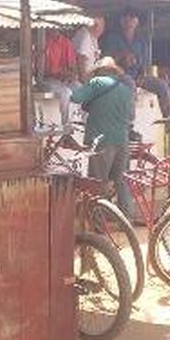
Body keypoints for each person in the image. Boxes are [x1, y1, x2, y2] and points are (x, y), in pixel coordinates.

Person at [70, 57, 136, 222]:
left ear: (98, 71)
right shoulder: (126, 89)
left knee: (98, 183)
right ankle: (126, 220)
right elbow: (131, 116)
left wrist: (76, 84)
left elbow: (75, 97)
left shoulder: (97, 82)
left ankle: (98, 224)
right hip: (122, 141)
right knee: (121, 181)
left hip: (101, 142)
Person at [100, 11, 170, 120]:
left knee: (161, 85)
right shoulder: (112, 38)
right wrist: (121, 57)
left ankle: (169, 118)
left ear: (137, 22)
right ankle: (129, 123)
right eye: (125, 17)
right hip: (117, 76)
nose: (128, 21)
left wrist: (142, 75)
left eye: (132, 18)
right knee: (129, 83)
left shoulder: (141, 41)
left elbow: (144, 63)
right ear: (120, 21)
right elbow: (106, 61)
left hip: (136, 75)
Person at [38, 30, 79, 127]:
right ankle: (65, 124)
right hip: (47, 79)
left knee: (82, 89)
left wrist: (70, 75)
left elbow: (72, 67)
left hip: (63, 79)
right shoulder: (42, 43)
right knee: (66, 92)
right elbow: (40, 71)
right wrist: (57, 74)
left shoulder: (66, 42)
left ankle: (84, 122)